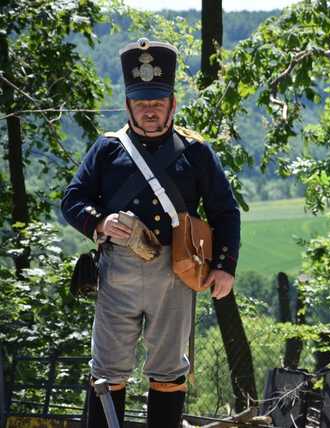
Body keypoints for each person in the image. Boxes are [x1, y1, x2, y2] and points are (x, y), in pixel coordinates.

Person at [61, 38, 240, 427]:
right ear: (128, 106)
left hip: (175, 272)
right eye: (142, 104)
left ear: (173, 104)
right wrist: (98, 222)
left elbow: (225, 211)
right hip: (118, 270)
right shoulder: (107, 149)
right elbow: (72, 199)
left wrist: (224, 267)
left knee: (168, 369)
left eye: (157, 104)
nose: (150, 112)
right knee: (107, 370)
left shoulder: (196, 152)